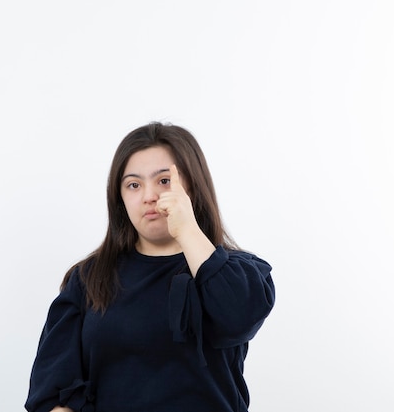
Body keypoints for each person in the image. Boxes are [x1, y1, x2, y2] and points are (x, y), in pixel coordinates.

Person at [25, 122, 275, 412]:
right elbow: (50, 393)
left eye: (165, 181)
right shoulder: (88, 279)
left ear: (193, 186)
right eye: (134, 185)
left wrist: (187, 230)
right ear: (120, 198)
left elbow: (239, 318)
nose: (149, 196)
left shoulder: (239, 273)